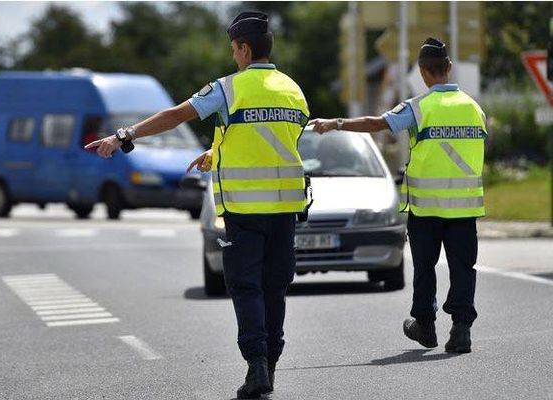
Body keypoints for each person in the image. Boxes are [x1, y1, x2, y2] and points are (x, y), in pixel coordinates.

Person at [85, 11, 310, 398]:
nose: (232, 57)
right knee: (275, 290)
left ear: (243, 48)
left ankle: (257, 366)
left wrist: (124, 135)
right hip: (286, 208)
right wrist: (217, 151)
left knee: (245, 287)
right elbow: (269, 142)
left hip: (243, 209)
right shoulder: (293, 90)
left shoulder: (230, 88)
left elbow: (176, 115)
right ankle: (270, 364)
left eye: (234, 50)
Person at [308, 37, 487, 354]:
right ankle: (461, 330)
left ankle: (426, 326)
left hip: (426, 208)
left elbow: (376, 123)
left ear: (422, 71)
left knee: (425, 267)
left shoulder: (419, 107)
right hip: (464, 208)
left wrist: (335, 123)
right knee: (463, 268)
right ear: (448, 68)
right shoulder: (474, 109)